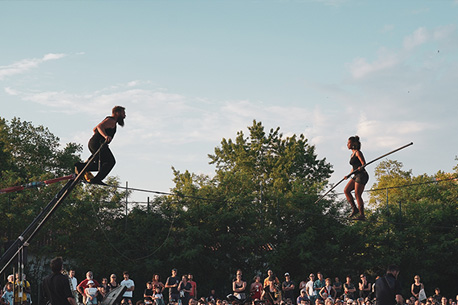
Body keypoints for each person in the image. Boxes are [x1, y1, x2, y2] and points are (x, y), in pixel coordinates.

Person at [75, 105, 126, 185]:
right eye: (123, 113)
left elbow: (95, 129)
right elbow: (99, 126)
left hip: (94, 143)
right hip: (98, 144)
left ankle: (81, 166)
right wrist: (105, 136)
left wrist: (99, 135)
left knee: (102, 165)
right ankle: (96, 179)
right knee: (110, 162)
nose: (125, 115)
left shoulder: (109, 120)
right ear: (117, 113)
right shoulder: (111, 120)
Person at [343, 136, 369, 221]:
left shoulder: (358, 152)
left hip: (362, 175)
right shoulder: (352, 154)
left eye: (349, 143)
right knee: (346, 190)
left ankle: (362, 215)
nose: (347, 144)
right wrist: (348, 175)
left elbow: (363, 163)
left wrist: (361, 167)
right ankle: (355, 209)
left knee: (357, 194)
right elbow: (354, 168)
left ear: (353, 144)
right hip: (355, 175)